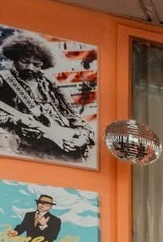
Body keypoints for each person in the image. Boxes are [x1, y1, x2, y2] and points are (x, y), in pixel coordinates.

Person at [0, 32, 94, 163]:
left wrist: (82, 137)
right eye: (24, 62)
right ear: (14, 58)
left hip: (61, 147)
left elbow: (74, 116)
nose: (30, 67)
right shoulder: (3, 79)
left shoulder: (50, 83)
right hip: (22, 149)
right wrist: (15, 121)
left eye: (36, 64)